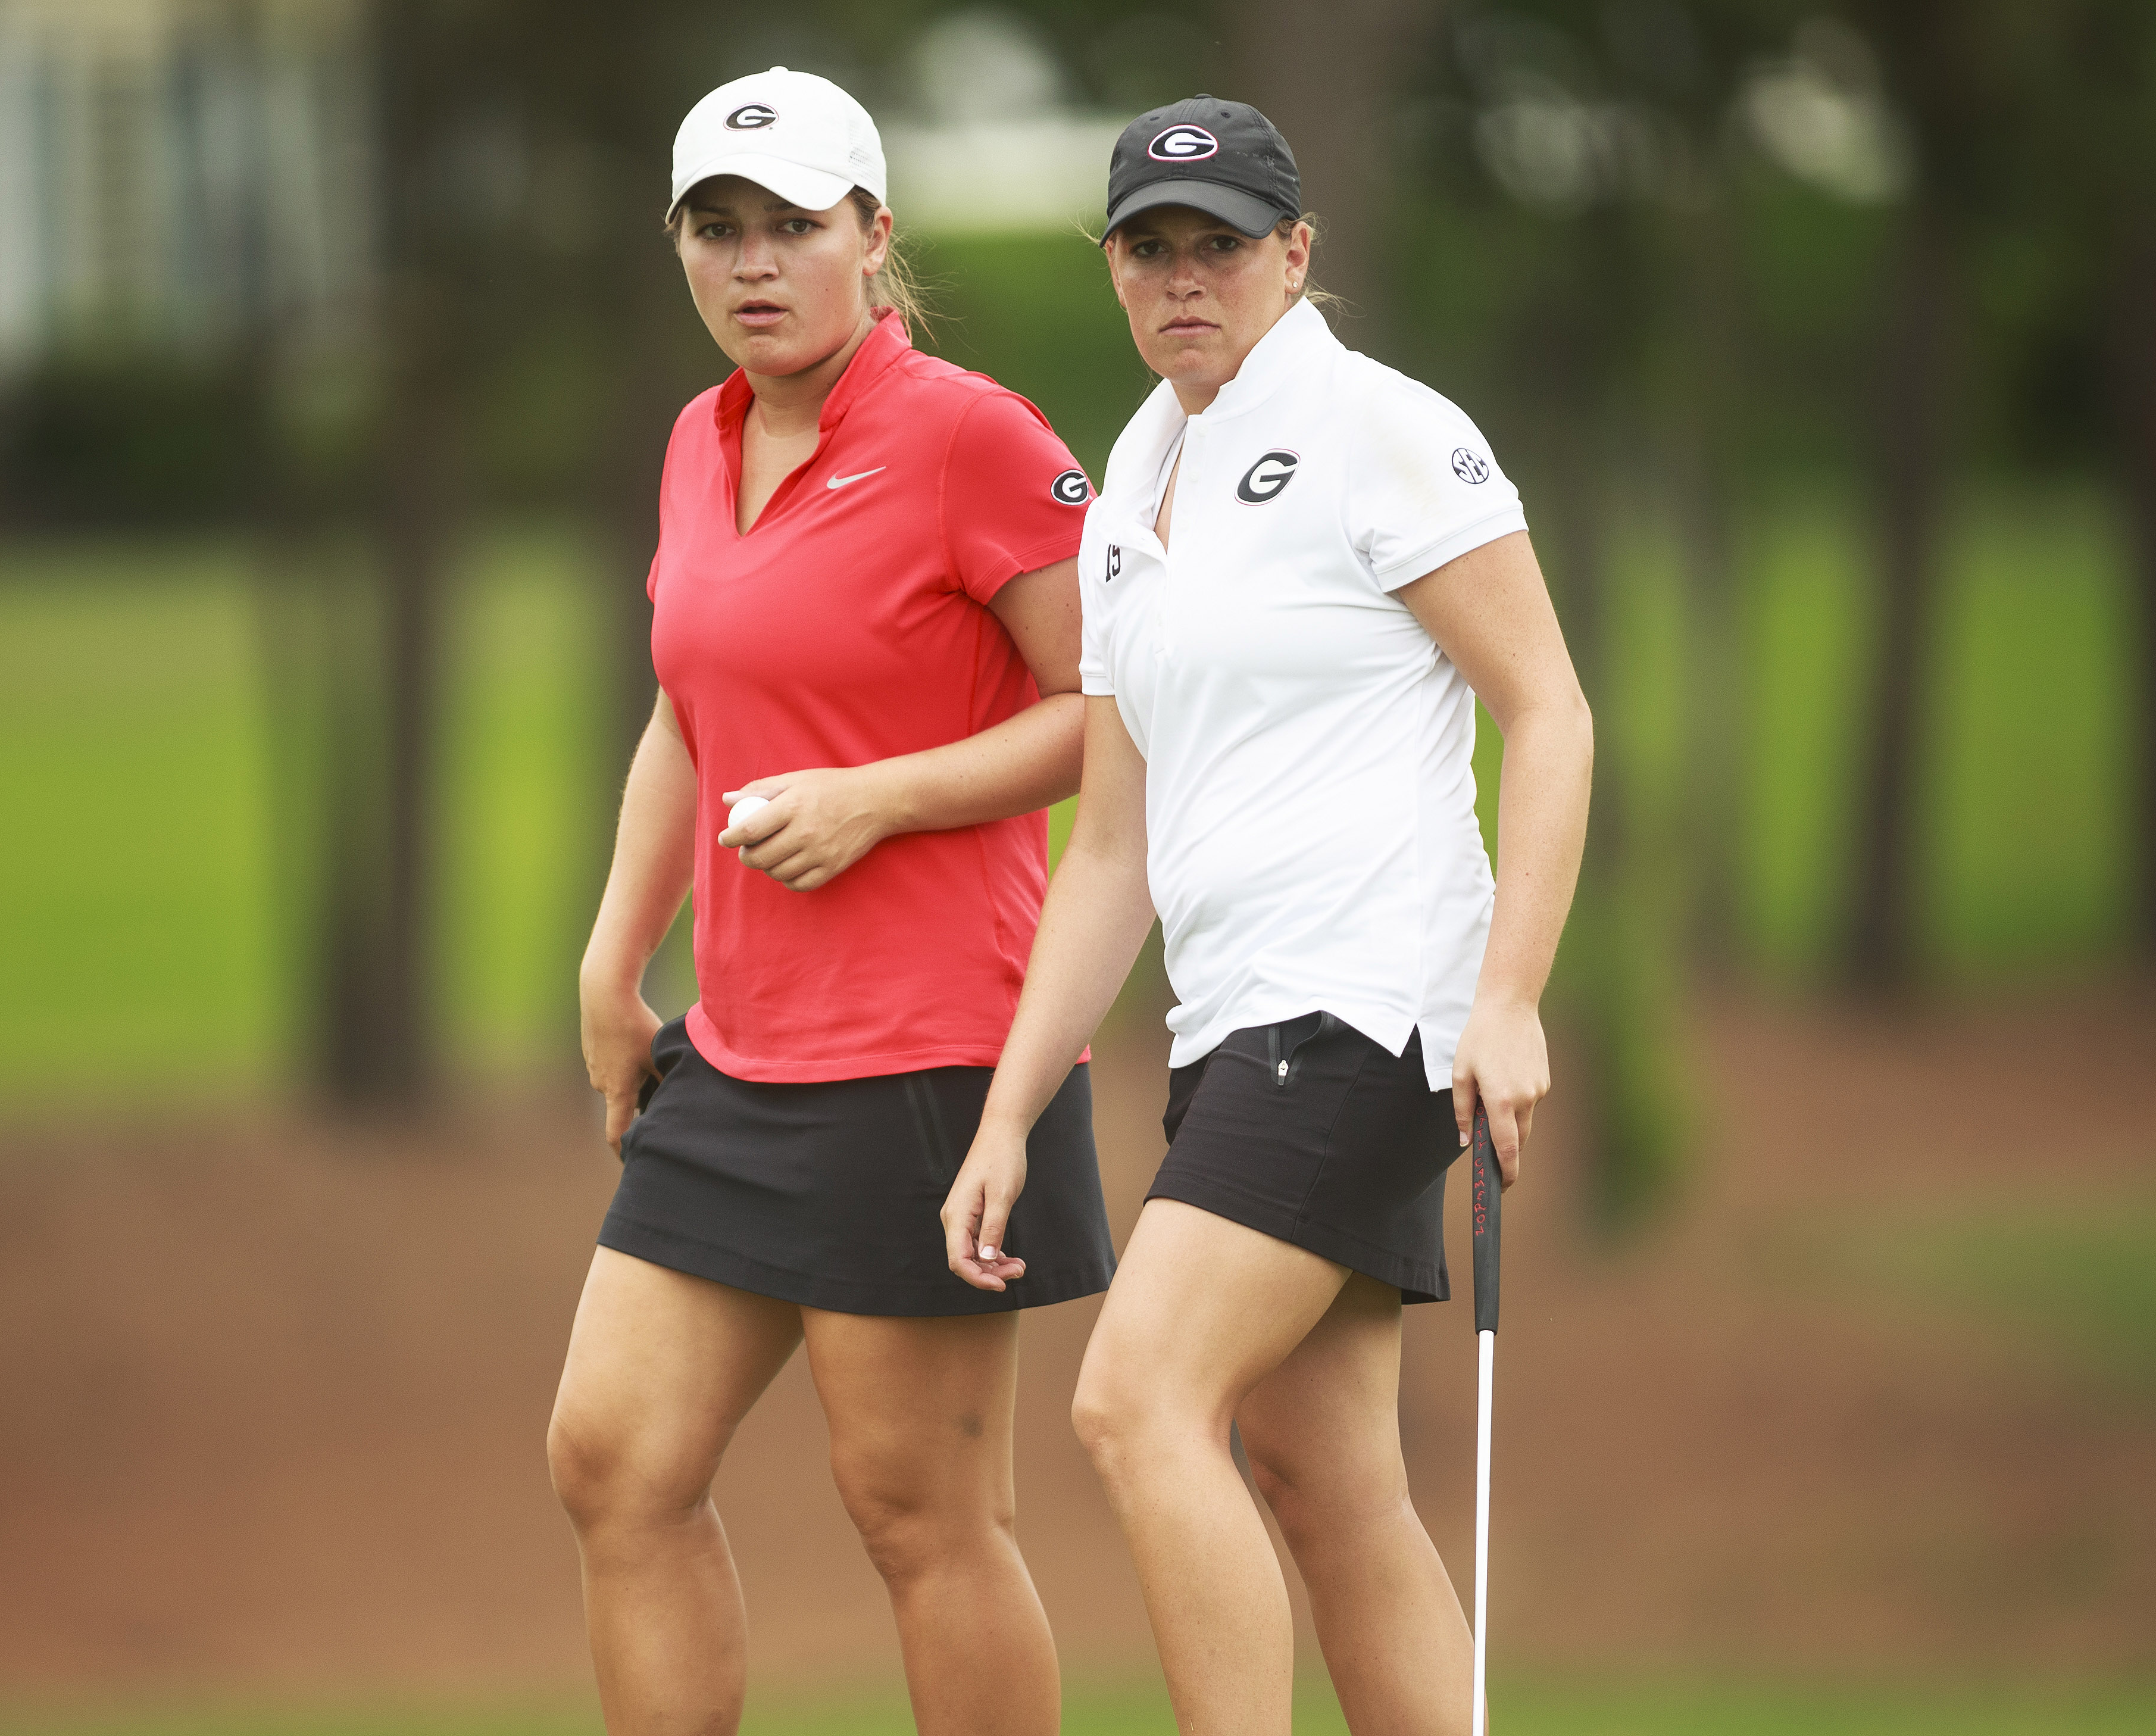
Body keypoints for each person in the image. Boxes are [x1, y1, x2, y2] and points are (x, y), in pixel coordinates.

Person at [940, 96, 1595, 1734]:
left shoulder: (1383, 429)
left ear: (1294, 255)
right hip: (1235, 1027)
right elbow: (1111, 845)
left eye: (1220, 245)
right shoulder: (1134, 490)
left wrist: (1512, 993)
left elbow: (1553, 712)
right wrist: (1015, 1106)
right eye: (1151, 250)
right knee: (1323, 1476)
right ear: (1112, 270)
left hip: (1368, 1006)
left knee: (1138, 1398)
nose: (1185, 278)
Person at [546, 66, 1117, 1735]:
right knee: (614, 1459)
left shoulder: (971, 436)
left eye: (792, 225)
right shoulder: (696, 437)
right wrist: (610, 955)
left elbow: (1107, 715)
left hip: (932, 1055)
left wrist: (882, 797)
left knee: (920, 1517)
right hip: (742, 1051)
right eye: (716, 229)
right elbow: (684, 706)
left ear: (874, 236)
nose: (752, 262)